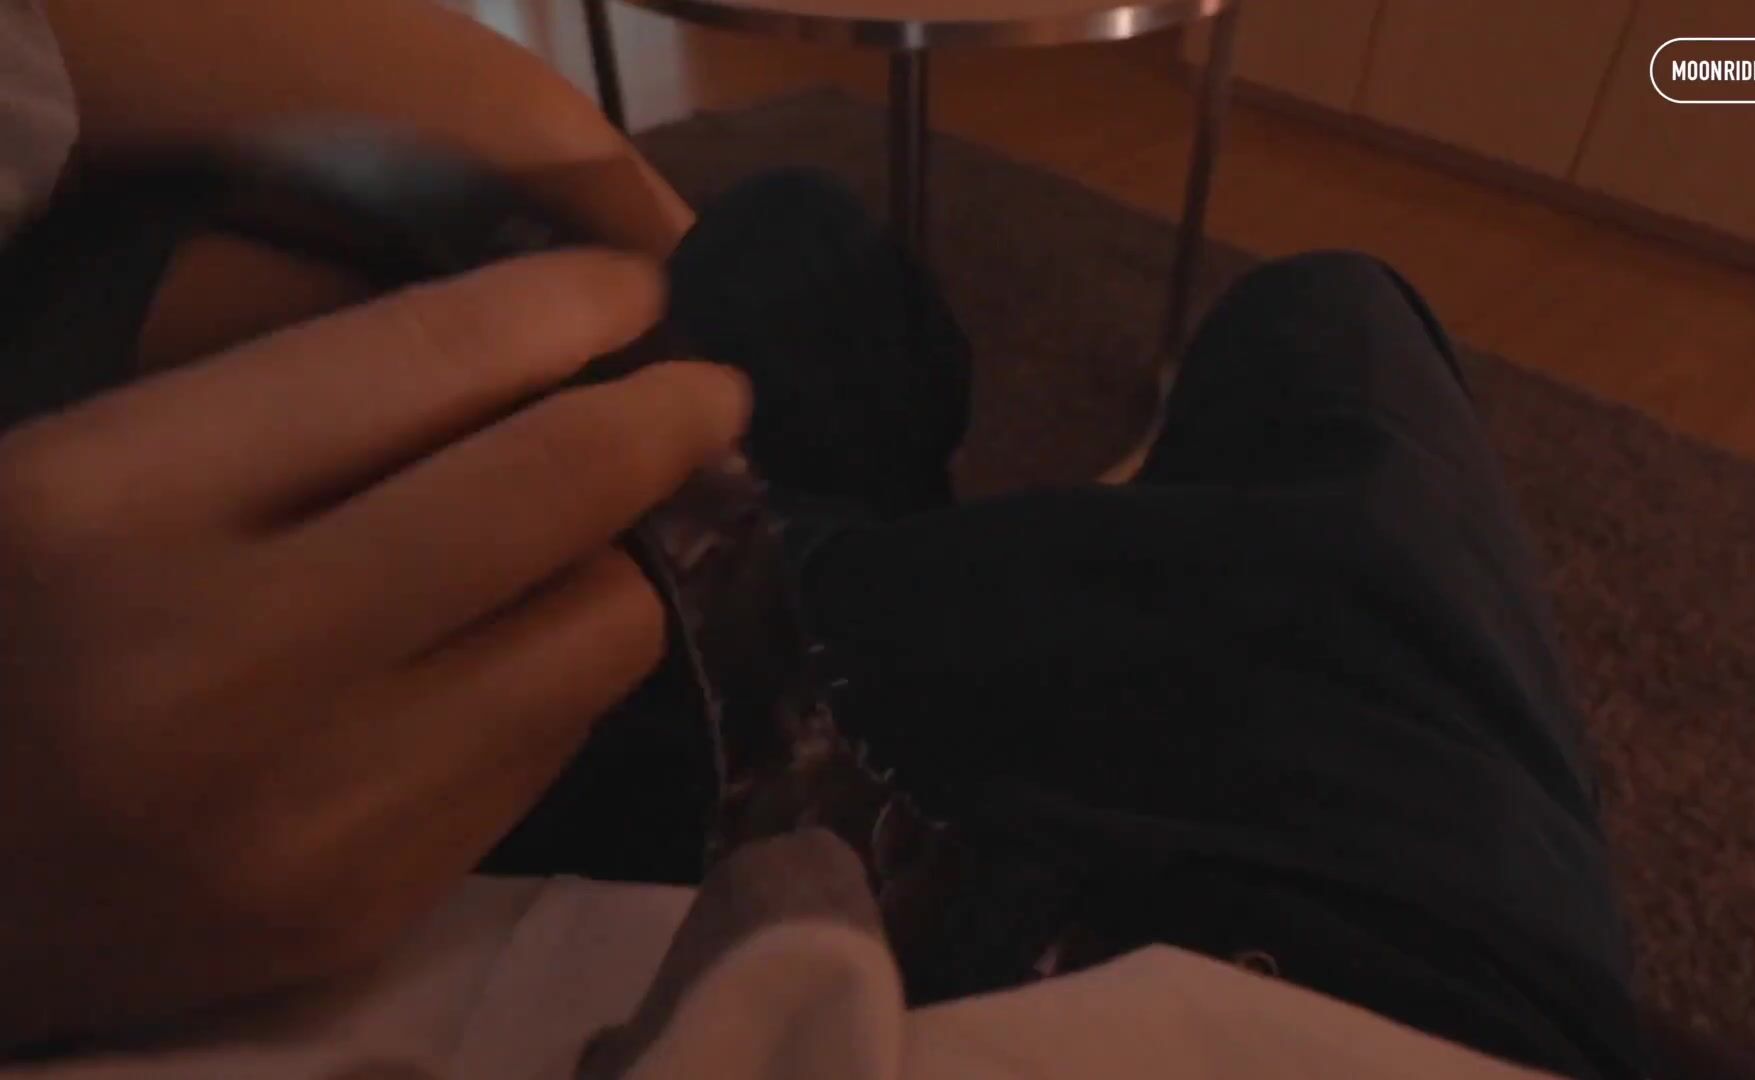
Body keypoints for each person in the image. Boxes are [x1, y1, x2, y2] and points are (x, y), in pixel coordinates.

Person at [0, 2, 1648, 1078]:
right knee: (1338, 317)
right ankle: (881, 531)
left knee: (790, 248)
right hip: (1296, 973)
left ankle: (866, 517)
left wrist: (649, 277)